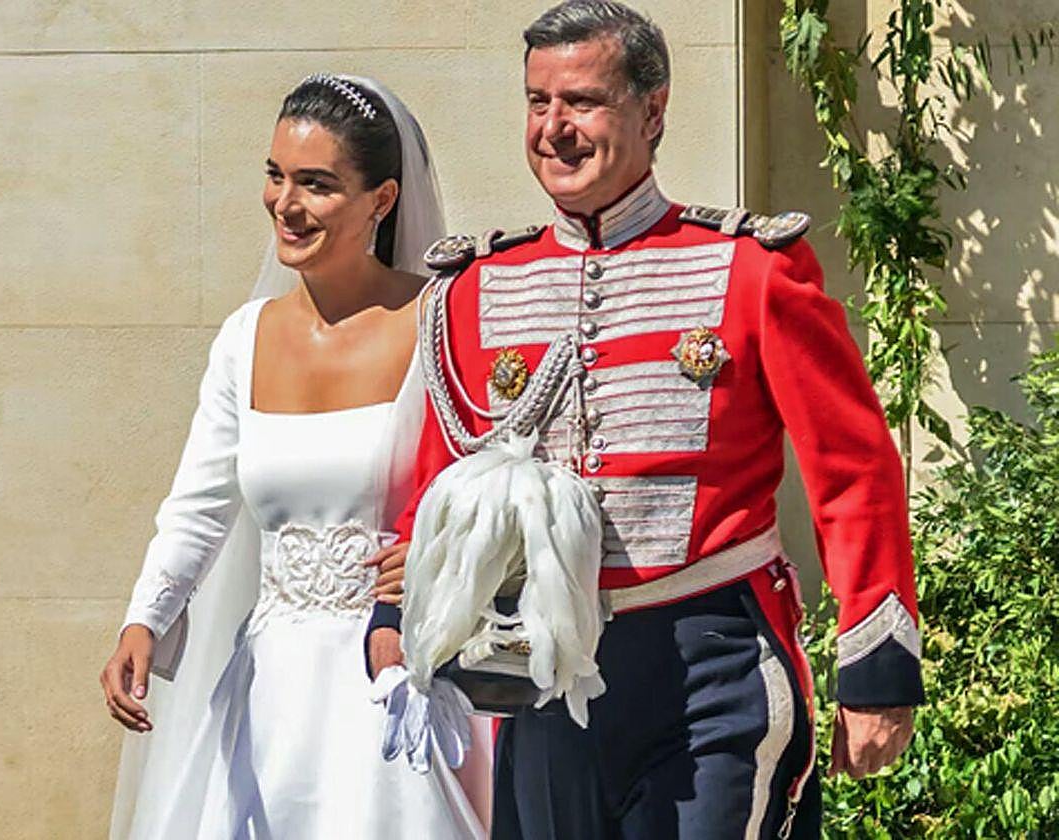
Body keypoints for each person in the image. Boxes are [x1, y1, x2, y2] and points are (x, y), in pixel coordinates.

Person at [366, 2, 924, 837]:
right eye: (538, 102)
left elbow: (853, 469)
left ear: (652, 111)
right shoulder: (478, 287)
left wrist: (877, 668)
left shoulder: (752, 271)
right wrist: (395, 617)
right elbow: (447, 476)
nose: (554, 128)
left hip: (712, 666)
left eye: (583, 102)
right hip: (535, 670)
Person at [101, 73, 487, 839]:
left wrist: (443, 554)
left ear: (381, 199)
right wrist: (145, 618)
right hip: (268, 688)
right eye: (276, 176)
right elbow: (198, 506)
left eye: (316, 184)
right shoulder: (244, 338)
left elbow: (490, 476)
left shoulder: (440, 319)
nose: (286, 203)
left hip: (389, 673)